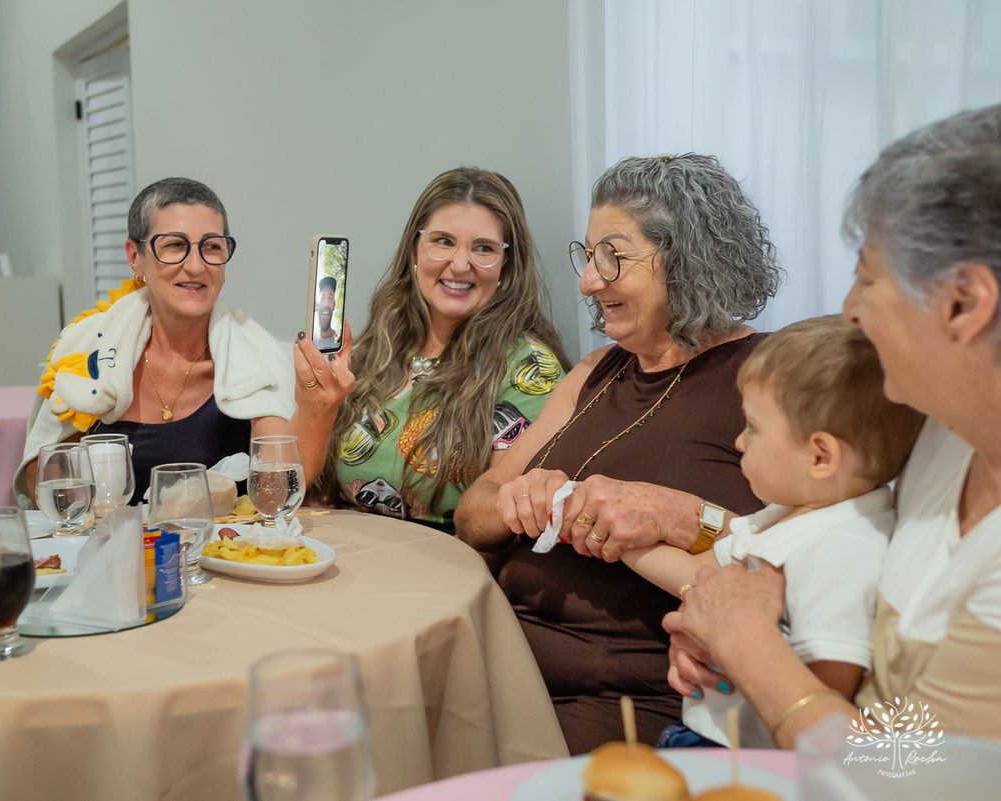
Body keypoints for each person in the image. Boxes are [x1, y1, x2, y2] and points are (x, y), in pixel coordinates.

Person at [663, 105, 1001, 746]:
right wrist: (711, 622)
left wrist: (743, 643)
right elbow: (825, 533)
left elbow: (914, 780)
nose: (849, 313)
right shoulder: (941, 425)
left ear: (964, 303)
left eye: (867, 279)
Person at [455, 153, 783, 752]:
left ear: (687, 260)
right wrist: (514, 502)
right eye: (589, 256)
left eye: (614, 257)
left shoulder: (767, 379)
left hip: (630, 705)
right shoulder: (593, 370)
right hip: (498, 663)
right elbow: (471, 514)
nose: (587, 281)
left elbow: (812, 562)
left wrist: (682, 518)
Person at [619, 315, 924, 748]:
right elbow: (701, 572)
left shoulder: (845, 549)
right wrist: (615, 540)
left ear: (820, 456)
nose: (740, 442)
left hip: (748, 754)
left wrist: (734, 649)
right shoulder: (786, 515)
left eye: (753, 428)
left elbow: (829, 690)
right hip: (700, 729)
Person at [17, 177, 354, 506]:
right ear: (135, 257)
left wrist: (317, 410)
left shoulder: (255, 358)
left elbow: (277, 495)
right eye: (175, 246)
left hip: (222, 555)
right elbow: (43, 485)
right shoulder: (89, 350)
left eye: (211, 247)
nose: (196, 266)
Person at [311, 167, 568, 529]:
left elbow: (505, 523)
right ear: (415, 249)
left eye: (483, 248)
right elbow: (317, 490)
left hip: (449, 571)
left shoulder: (529, 368)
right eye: (443, 241)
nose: (460, 264)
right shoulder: (378, 347)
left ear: (506, 266)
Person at [314, 276, 339, 349]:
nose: (326, 303)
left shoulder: (339, 343)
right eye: (323, 297)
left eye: (330, 298)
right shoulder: (309, 340)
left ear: (334, 306)